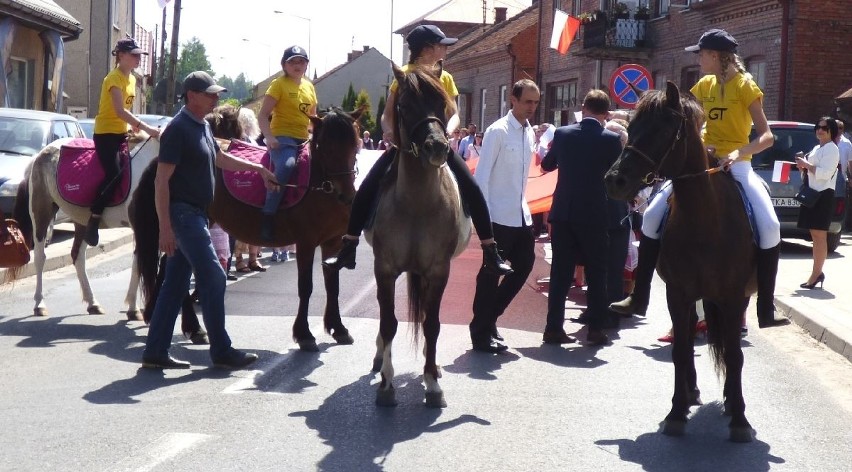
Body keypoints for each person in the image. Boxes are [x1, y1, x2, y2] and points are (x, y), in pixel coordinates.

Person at [610, 29, 789, 329]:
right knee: (653, 216)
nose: (698, 58)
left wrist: (737, 153)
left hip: (738, 165)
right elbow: (680, 119)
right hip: (702, 164)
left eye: (702, 53)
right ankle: (639, 296)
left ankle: (765, 308)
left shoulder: (746, 87)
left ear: (717, 56)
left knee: (770, 225)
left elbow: (767, 136)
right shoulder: (703, 85)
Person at [321, 24, 511, 276]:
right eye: (442, 44)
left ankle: (490, 250)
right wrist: (388, 132)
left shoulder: (444, 77)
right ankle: (350, 245)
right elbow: (387, 116)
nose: (446, 49)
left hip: (437, 142)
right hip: (405, 147)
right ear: (427, 48)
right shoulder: (403, 75)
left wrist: (449, 131)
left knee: (472, 187)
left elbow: (454, 113)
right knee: (368, 185)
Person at [141, 71, 278, 370]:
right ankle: (222, 351)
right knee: (215, 276)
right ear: (192, 95)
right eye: (210, 93)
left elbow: (220, 158)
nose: (216, 98)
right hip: (183, 215)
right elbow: (161, 182)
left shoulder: (201, 125)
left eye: (216, 93)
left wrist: (257, 169)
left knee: (175, 284)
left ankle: (155, 351)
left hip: (198, 215)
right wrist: (165, 226)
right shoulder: (178, 129)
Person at [540, 90, 623, 347]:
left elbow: (546, 165)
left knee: (561, 272)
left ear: (583, 108)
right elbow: (617, 175)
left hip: (564, 212)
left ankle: (553, 328)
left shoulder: (562, 134)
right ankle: (595, 329)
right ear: (606, 114)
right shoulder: (612, 139)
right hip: (596, 214)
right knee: (597, 272)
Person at [468, 79, 541, 353]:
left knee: (523, 266)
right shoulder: (497, 131)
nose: (532, 107)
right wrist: (483, 224)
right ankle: (480, 332)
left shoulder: (529, 132)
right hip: (497, 216)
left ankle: (489, 318)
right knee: (489, 275)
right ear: (513, 99)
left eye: (535, 102)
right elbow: (482, 177)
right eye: (527, 101)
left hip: (520, 214)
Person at [85, 38, 161, 246]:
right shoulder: (113, 78)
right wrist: (146, 127)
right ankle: (94, 217)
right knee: (113, 173)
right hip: (105, 135)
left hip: (122, 134)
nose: (138, 59)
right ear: (121, 55)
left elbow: (128, 111)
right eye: (134, 55)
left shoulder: (133, 80)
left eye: (139, 55)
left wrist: (133, 126)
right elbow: (119, 110)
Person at [257, 45, 317, 243]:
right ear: (284, 65)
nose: (297, 65)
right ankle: (268, 214)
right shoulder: (278, 84)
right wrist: (269, 137)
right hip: (283, 138)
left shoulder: (310, 87)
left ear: (307, 65)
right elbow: (263, 115)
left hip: (304, 139)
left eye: (301, 61)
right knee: (288, 165)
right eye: (292, 61)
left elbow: (313, 118)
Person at [795, 117, 840, 289]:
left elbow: (825, 174)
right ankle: (816, 273)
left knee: (820, 236)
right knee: (814, 235)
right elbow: (812, 172)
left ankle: (816, 274)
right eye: (818, 127)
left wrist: (807, 165)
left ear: (831, 131)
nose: (820, 130)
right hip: (812, 194)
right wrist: (803, 168)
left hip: (824, 195)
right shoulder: (816, 148)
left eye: (824, 128)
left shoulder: (832, 149)